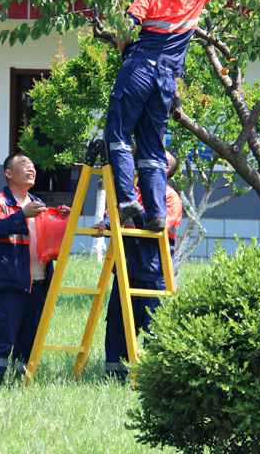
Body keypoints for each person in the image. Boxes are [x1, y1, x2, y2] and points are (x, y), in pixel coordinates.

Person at [106, 0, 223, 232]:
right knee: (152, 146)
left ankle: (127, 201)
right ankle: (157, 213)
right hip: (166, 81)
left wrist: (124, 51)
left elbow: (124, 30)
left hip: (139, 69)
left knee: (118, 135)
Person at [0, 153, 67, 383]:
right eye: (24, 164)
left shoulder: (38, 204)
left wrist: (60, 219)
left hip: (39, 282)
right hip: (12, 281)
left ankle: (20, 381)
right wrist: (22, 214)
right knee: (5, 335)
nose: (31, 169)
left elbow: (48, 241)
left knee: (30, 337)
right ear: (8, 173)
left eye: (32, 165)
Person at [103, 152, 183, 381]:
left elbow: (157, 225)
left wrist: (134, 214)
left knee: (153, 327)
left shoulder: (169, 197)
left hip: (154, 273)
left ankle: (152, 378)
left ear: (165, 171)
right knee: (118, 325)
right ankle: (114, 378)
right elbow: (112, 216)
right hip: (126, 269)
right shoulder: (131, 193)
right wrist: (107, 223)